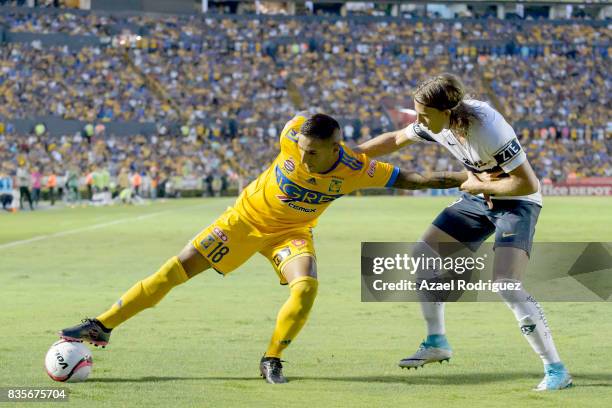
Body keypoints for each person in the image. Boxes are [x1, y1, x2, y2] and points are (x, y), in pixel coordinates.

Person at [58, 113, 466, 384]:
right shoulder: (292, 136)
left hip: (292, 234)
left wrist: (470, 178)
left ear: (333, 148)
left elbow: (413, 179)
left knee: (306, 286)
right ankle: (103, 325)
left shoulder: (356, 170)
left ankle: (272, 358)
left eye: (312, 152)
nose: (303, 156)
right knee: (175, 269)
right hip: (243, 221)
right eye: (301, 149)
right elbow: (303, 131)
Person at [356, 74, 571, 391]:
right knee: (424, 255)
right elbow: (395, 140)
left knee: (507, 284)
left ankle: (556, 369)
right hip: (478, 199)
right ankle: (436, 341)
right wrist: (348, 154)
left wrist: (477, 183)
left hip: (516, 203)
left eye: (424, 115)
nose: (419, 121)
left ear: (448, 111)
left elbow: (528, 183)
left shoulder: (486, 126)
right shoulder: (435, 123)